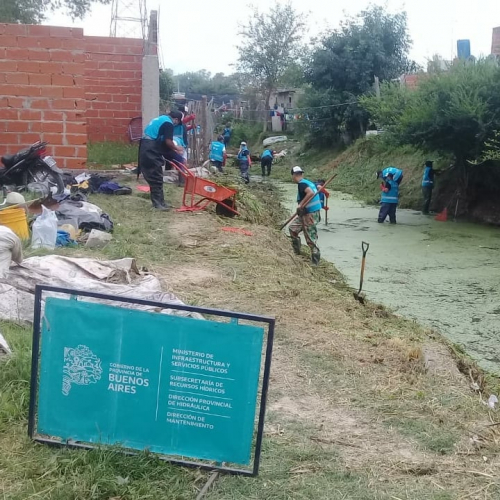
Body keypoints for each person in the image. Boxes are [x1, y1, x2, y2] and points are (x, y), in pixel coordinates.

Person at [138, 111, 185, 210]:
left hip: (146, 144)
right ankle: (157, 204)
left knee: (157, 174)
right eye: (177, 122)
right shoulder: (168, 123)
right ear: (176, 119)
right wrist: (177, 148)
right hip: (150, 147)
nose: (176, 124)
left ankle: (161, 202)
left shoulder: (161, 118)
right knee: (156, 176)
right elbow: (168, 142)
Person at [289, 166, 321, 265]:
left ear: (294, 176)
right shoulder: (308, 182)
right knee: (293, 228)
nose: (296, 177)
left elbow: (310, 193)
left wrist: (300, 205)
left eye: (297, 175)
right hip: (306, 213)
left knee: (310, 237)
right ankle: (296, 252)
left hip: (310, 215)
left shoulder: (302, 184)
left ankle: (315, 261)